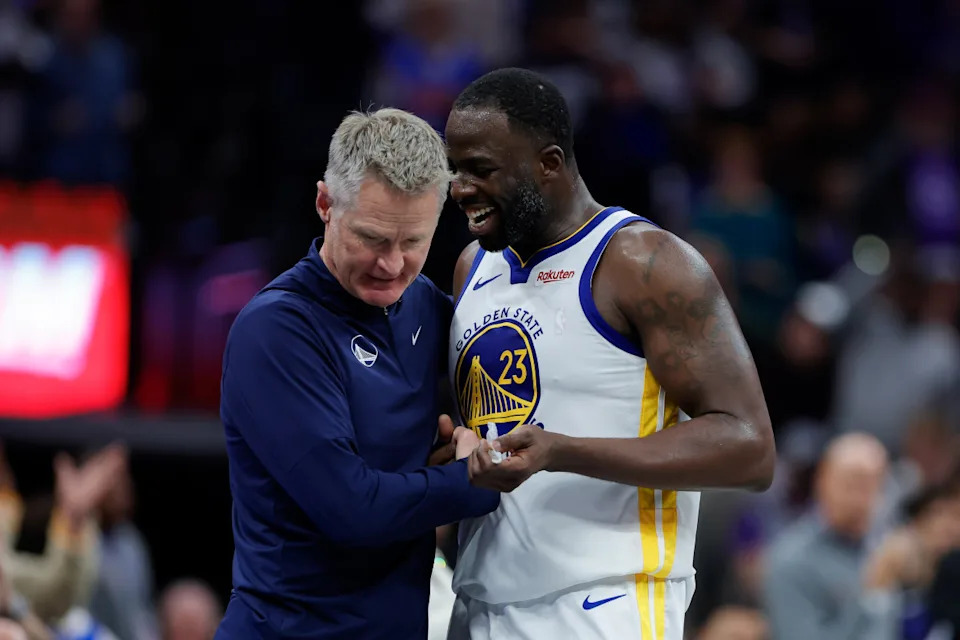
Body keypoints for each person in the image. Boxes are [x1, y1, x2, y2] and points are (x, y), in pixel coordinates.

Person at [444, 67, 775, 640]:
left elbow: (750, 449)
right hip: (479, 602)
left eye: (481, 170)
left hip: (605, 603)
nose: (459, 188)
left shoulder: (643, 262)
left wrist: (563, 452)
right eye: (455, 169)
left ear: (549, 163)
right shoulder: (472, 269)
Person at [215, 107, 499, 639]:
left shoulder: (424, 306)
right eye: (372, 238)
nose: (391, 264)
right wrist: (473, 478)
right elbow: (352, 509)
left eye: (413, 242)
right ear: (325, 204)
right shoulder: (276, 331)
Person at [764, 432, 896, 640]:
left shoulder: (889, 546)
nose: (860, 498)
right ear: (822, 480)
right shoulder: (792, 559)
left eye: (871, 484)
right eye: (851, 484)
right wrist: (873, 595)